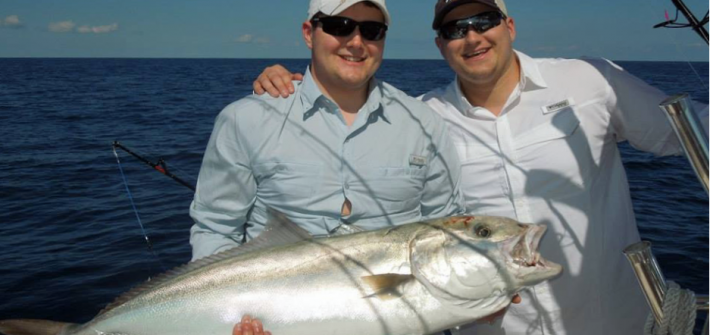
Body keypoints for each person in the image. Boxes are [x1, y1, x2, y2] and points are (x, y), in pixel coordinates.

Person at [251, 0, 710, 334]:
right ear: (439, 44)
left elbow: (691, 133)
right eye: (455, 29)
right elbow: (337, 143)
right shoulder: (418, 117)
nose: (471, 36)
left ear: (509, 25)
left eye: (483, 20)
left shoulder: (589, 80)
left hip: (616, 324)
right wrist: (287, 84)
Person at [189, 0, 465, 300]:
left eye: (372, 31)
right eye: (339, 26)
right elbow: (217, 229)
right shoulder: (244, 119)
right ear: (309, 33)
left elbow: (447, 231)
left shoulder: (424, 123)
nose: (357, 42)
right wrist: (230, 310)